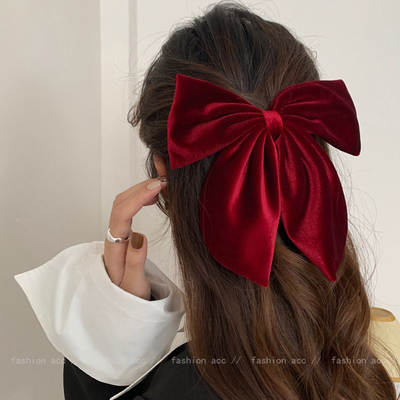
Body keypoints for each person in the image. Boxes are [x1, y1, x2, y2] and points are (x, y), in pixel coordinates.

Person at [14, 2, 400, 399]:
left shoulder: (181, 388)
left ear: (162, 176)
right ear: (313, 157)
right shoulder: (363, 370)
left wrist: (113, 327)